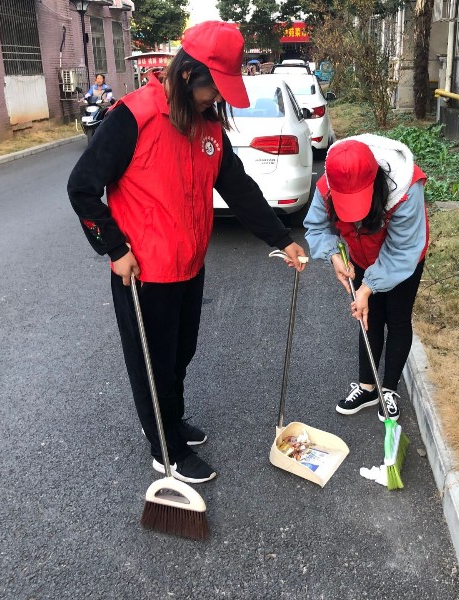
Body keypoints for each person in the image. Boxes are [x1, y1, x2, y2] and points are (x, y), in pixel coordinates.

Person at [67, 21, 307, 484]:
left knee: (180, 354)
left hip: (189, 266)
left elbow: (237, 188)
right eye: (212, 88)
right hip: (144, 271)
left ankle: (171, 420)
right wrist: (114, 248)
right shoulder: (133, 117)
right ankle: (166, 449)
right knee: (152, 364)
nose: (215, 99)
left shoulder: (208, 125)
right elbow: (82, 188)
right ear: (185, 75)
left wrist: (281, 238)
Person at [304, 134, 428, 422]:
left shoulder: (407, 189)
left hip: (404, 259)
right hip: (361, 256)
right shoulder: (326, 187)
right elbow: (316, 227)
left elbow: (402, 250)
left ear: (375, 182)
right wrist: (334, 255)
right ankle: (367, 387)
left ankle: (389, 389)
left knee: (396, 318)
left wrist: (367, 288)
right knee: (367, 317)